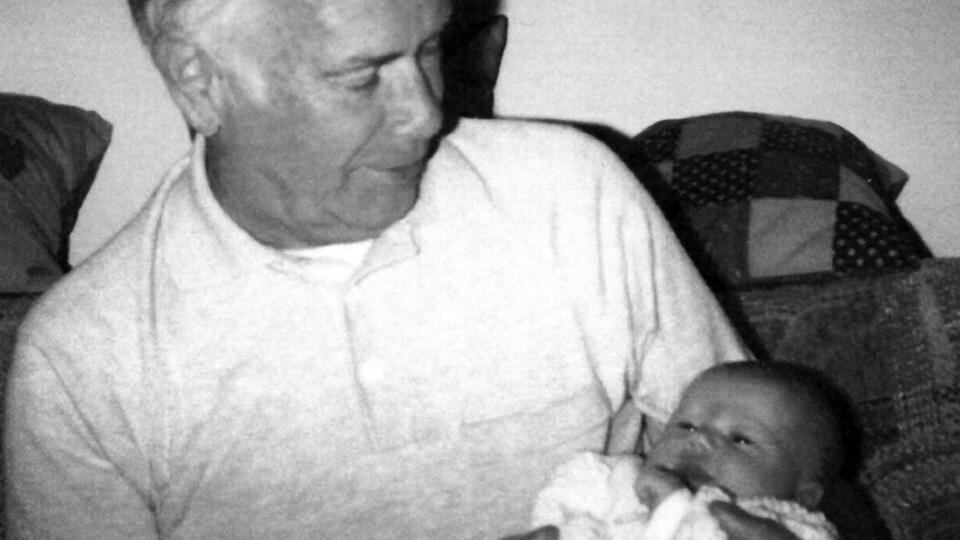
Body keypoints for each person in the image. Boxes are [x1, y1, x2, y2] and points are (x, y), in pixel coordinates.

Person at [3, 0, 791, 538]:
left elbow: (788, 477)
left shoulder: (574, 193)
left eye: (429, 49)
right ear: (199, 81)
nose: (426, 113)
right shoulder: (85, 360)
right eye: (363, 75)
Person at [532, 361, 849, 540]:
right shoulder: (614, 484)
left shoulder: (790, 530)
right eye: (686, 426)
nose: (699, 441)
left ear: (803, 496)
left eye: (740, 439)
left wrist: (671, 506)